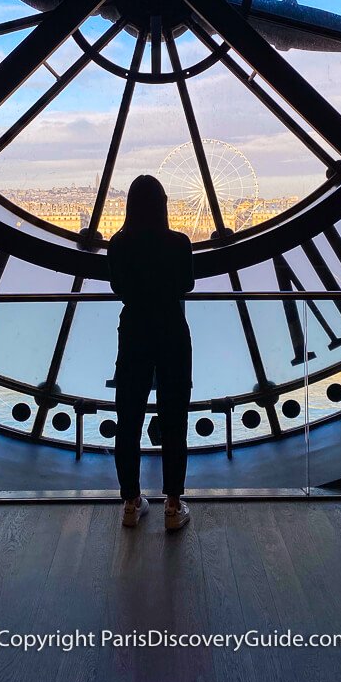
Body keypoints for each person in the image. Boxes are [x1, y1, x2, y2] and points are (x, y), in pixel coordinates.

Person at [107, 175, 194, 532]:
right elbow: (186, 284)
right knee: (175, 420)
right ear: (163, 205)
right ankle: (173, 503)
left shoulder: (119, 244)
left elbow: (118, 287)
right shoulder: (179, 243)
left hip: (134, 333)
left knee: (129, 419)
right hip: (172, 332)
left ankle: (131, 500)